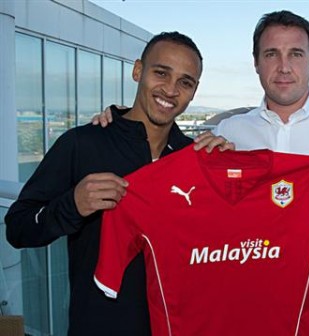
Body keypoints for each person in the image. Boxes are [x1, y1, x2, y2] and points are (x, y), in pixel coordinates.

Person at [94, 10, 309, 336]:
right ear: (256, 64)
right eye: (271, 54)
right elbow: (173, 166)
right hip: (240, 300)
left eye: (295, 54)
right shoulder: (229, 131)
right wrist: (116, 119)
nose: (283, 67)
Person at [5, 31, 204, 336]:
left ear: (194, 91)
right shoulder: (82, 143)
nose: (171, 89)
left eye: (185, 82)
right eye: (161, 72)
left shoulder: (195, 158)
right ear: (138, 70)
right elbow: (18, 228)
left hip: (177, 326)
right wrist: (72, 204)